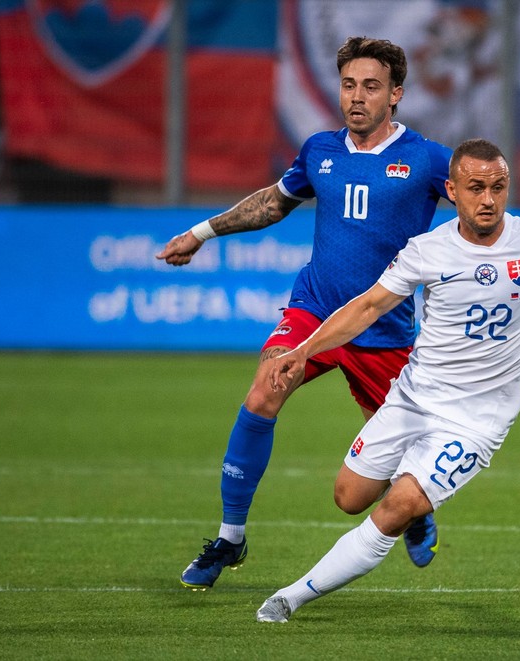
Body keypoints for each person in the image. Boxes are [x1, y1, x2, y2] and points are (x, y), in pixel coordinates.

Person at [253, 138, 520, 623]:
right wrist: (304, 350)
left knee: (399, 506)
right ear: (452, 191)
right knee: (348, 497)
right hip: (414, 397)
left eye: (498, 186)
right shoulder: (427, 250)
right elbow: (368, 306)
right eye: (476, 188)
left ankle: (290, 598)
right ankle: (416, 485)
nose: (489, 199)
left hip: (476, 420)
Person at [155, 37, 453, 590]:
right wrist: (200, 233)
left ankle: (413, 507)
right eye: (348, 85)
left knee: (393, 457)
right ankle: (230, 538)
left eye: (370, 86)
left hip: (383, 328)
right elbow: (273, 202)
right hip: (313, 309)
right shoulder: (320, 149)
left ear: (396, 95)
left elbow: (480, 208)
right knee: (265, 388)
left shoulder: (430, 159)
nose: (356, 97)